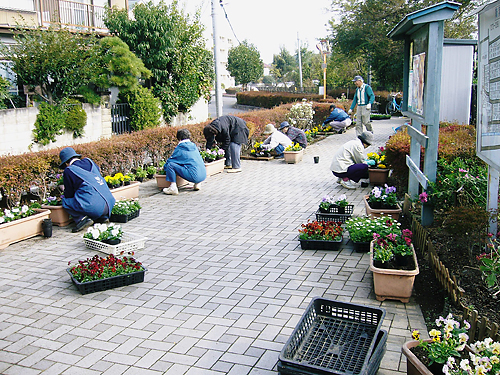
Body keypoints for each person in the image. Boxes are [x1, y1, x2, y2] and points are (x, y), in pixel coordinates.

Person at [59, 147, 116, 232]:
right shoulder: (90, 162)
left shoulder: (69, 170)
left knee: (66, 202)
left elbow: (69, 194)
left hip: (95, 207)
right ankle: (102, 218)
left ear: (66, 163)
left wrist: (63, 191)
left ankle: (82, 219)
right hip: (109, 203)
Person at [162, 129, 207, 195]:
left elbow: (171, 161)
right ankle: (197, 183)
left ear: (179, 138)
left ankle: (173, 187)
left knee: (170, 165)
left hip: (193, 176)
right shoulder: (194, 146)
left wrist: (164, 168)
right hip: (203, 175)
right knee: (192, 163)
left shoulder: (180, 147)